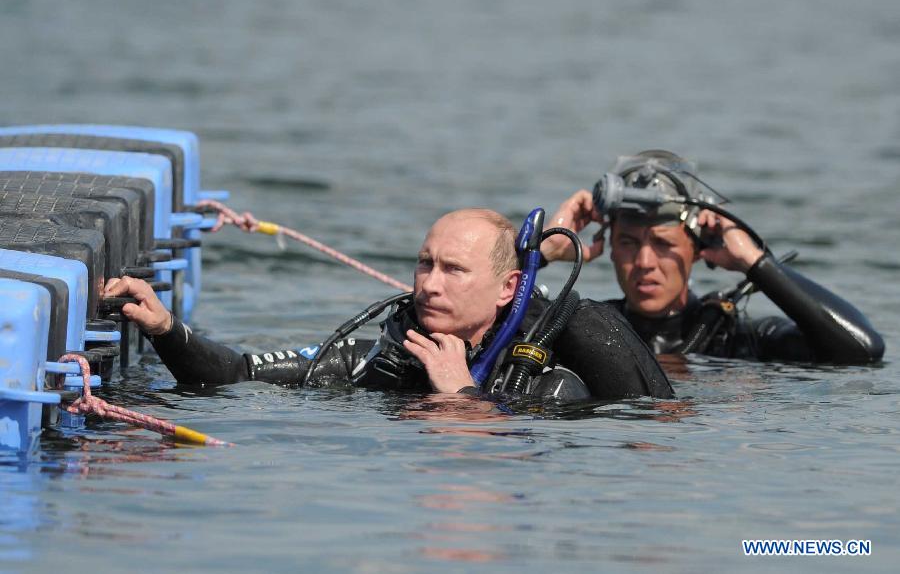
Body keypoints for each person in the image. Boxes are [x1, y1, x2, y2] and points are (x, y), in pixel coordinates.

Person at [105, 208, 674, 400]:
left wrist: (461, 395)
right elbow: (235, 374)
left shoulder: (552, 382)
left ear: (508, 287)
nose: (430, 284)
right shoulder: (383, 356)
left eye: (454, 270)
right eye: (426, 263)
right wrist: (163, 326)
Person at [540, 150, 884, 363]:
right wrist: (545, 251)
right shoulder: (585, 328)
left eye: (664, 244)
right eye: (629, 243)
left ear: (696, 249)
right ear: (610, 248)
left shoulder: (734, 339)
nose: (645, 262)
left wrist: (756, 263)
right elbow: (490, 325)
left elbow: (862, 350)